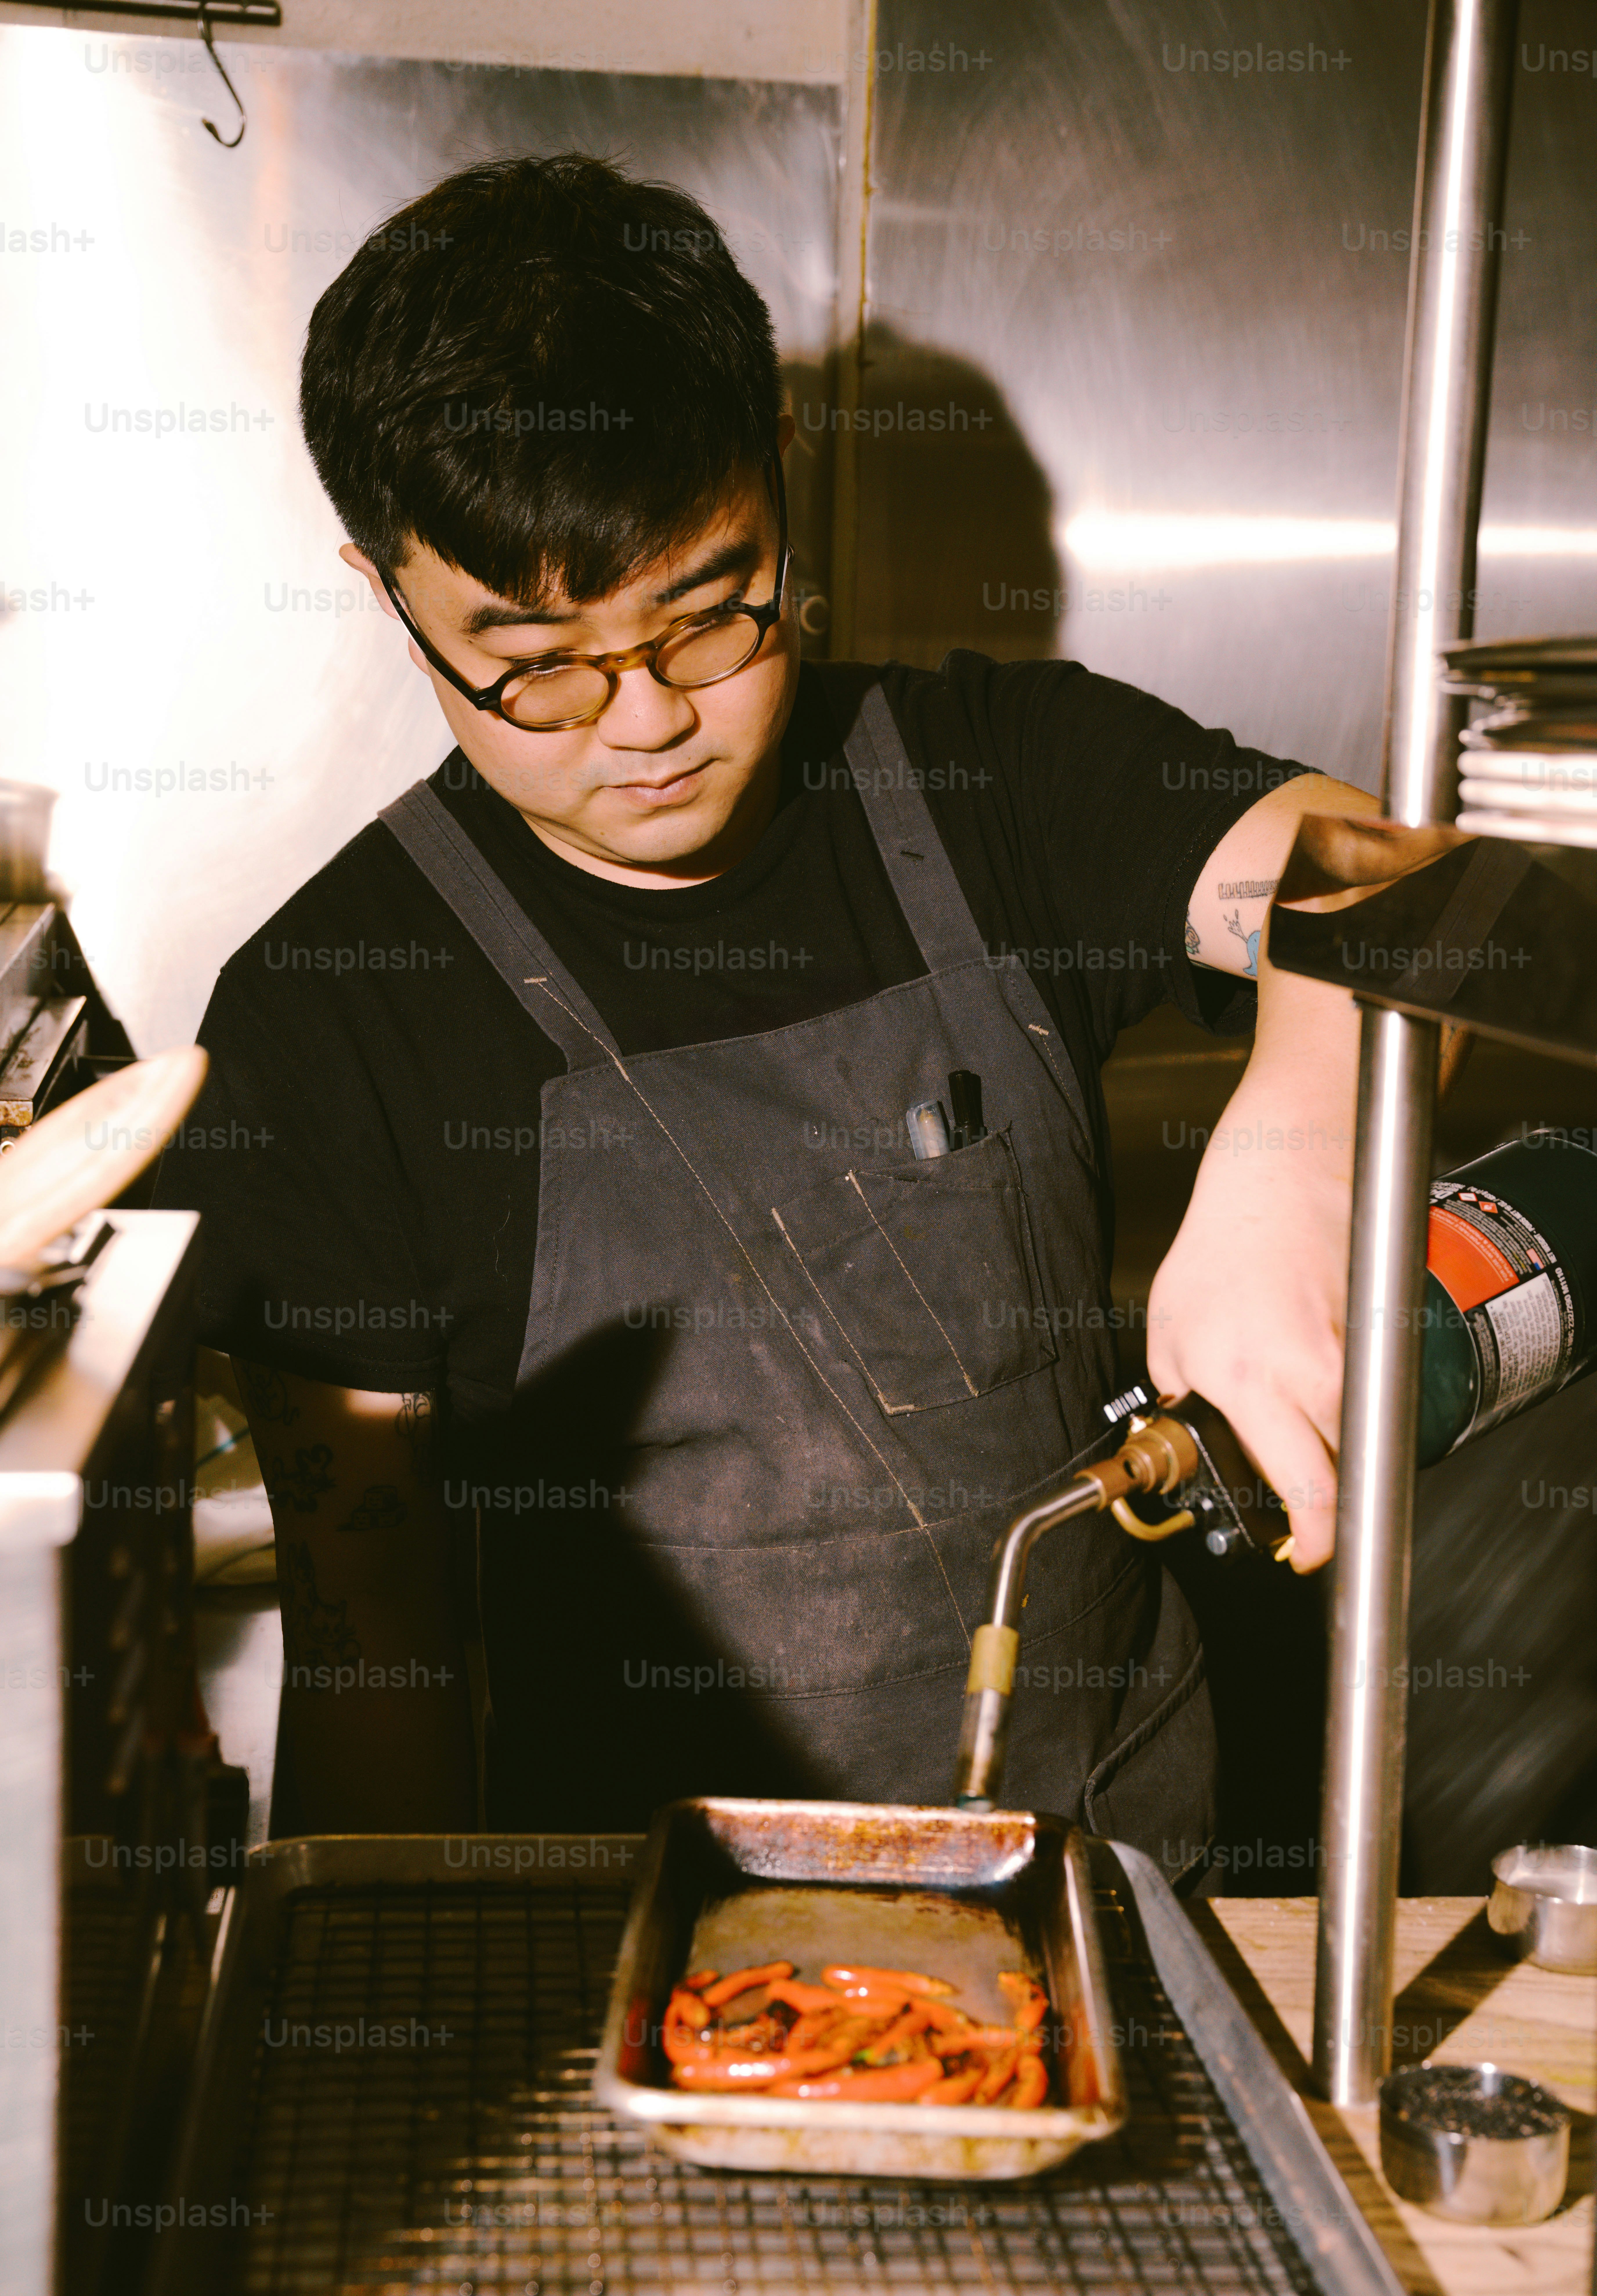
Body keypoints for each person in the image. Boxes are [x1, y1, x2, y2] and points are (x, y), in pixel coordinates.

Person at [155, 153, 1385, 1865]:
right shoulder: (330, 1022)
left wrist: (1304, 1141)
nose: (646, 719)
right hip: (622, 1974)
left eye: (711, 614)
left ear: (778, 486)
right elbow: (380, 1648)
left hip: (1111, 1905)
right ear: (383, 593)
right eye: (535, 666)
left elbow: (1413, 893)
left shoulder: (993, 779)